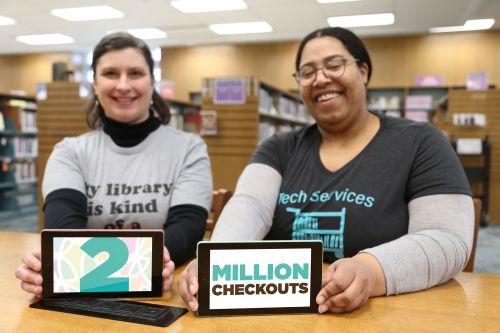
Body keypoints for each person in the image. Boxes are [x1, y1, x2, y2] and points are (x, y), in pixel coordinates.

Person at [177, 27, 474, 314]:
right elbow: (249, 206)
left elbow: (445, 238)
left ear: (364, 71)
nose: (320, 79)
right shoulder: (278, 147)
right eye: (307, 72)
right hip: (279, 316)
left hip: (382, 316)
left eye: (334, 65)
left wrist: (370, 270)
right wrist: (215, 260)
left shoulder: (420, 142)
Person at [15, 32, 212, 297]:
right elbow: (64, 232)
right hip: (87, 298)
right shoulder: (68, 153)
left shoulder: (189, 149)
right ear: (95, 84)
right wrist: (48, 267)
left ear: (152, 82)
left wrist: (144, 266)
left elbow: (187, 228)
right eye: (110, 73)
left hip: (162, 296)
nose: (123, 85)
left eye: (135, 73)